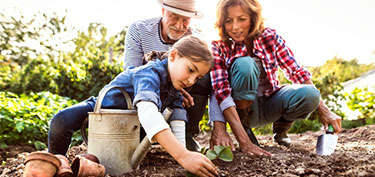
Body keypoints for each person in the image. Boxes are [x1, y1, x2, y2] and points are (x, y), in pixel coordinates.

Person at [49, 36, 218, 176]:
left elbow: (177, 119)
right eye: (190, 70)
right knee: (61, 121)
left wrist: (182, 152)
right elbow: (147, 111)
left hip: (128, 127)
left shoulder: (175, 87)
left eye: (197, 78)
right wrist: (183, 156)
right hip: (103, 107)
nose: (191, 80)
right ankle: (56, 162)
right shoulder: (149, 73)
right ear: (173, 56)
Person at [208, 0, 342, 156]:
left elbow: (296, 71)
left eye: (241, 19)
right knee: (245, 64)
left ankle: (281, 129)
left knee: (311, 94)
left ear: (253, 18)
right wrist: (244, 142)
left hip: (271, 102)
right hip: (243, 111)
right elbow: (220, 92)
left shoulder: (269, 36)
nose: (235, 27)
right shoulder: (218, 46)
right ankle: (247, 133)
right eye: (228, 21)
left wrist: (325, 111)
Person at [123, 0, 211, 151]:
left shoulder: (197, 40)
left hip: (180, 93)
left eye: (185, 20)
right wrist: (171, 90)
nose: (179, 25)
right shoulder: (138, 29)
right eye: (174, 17)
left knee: (203, 74)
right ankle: (141, 133)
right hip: (146, 92)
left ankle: (187, 134)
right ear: (163, 12)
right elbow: (132, 72)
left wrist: (218, 125)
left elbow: (213, 83)